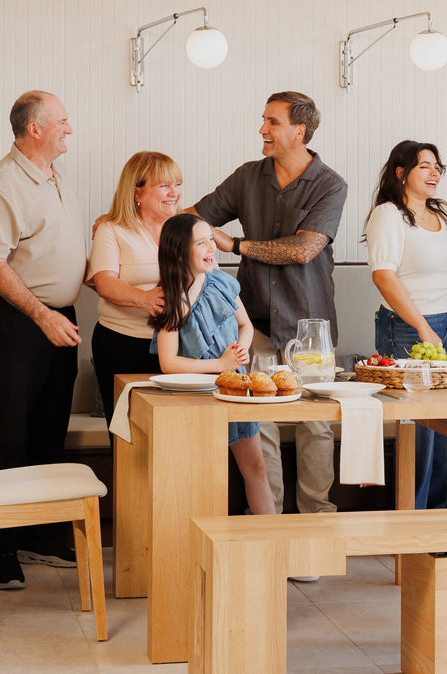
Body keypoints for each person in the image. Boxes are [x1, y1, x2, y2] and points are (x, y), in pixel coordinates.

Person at [185, 91, 347, 518]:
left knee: (315, 427)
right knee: (262, 429)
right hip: (252, 326)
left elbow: (302, 250)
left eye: (272, 122)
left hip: (310, 328)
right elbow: (191, 218)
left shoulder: (331, 184)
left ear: (300, 130)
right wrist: (127, 220)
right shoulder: (247, 177)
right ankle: (270, 529)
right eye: (264, 120)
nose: (262, 129)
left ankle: (314, 531)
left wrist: (234, 243)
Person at [0, 91, 86, 589]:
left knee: (47, 432)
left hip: (58, 320)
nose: (70, 129)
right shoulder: (1, 183)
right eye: (62, 121)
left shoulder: (53, 175)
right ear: (34, 129)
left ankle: (38, 536)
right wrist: (42, 315)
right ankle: (3, 549)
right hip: (18, 321)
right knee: (9, 433)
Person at [365, 140, 447, 509]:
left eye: (437, 167)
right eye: (424, 166)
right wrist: (421, 327)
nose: (434, 173)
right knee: (417, 428)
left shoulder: (440, 214)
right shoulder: (388, 214)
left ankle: (436, 516)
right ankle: (410, 518)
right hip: (407, 327)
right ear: (401, 173)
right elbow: (383, 277)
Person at [149, 213, 275, 515]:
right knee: (202, 473)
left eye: (211, 240)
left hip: (236, 390)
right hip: (198, 398)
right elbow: (168, 362)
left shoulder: (221, 282)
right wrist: (220, 364)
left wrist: (240, 353)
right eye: (201, 243)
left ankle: (272, 544)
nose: (211, 248)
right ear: (179, 252)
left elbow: (245, 326)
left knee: (256, 468)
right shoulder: (172, 299)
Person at [86, 152, 180, 424]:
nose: (174, 192)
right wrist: (144, 299)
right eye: (164, 185)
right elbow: (104, 282)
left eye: (177, 183)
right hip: (122, 344)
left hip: (177, 349)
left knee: (173, 433)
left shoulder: (185, 228)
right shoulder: (112, 229)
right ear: (137, 192)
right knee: (126, 432)